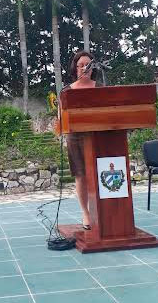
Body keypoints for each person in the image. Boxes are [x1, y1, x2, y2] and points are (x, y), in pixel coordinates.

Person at [65, 50, 97, 230]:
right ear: (75, 68)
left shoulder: (100, 87)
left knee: (97, 173)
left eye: (88, 64)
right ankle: (85, 212)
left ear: (93, 67)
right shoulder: (68, 90)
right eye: (81, 65)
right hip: (75, 136)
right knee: (81, 175)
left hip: (97, 136)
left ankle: (100, 211)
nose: (84, 67)